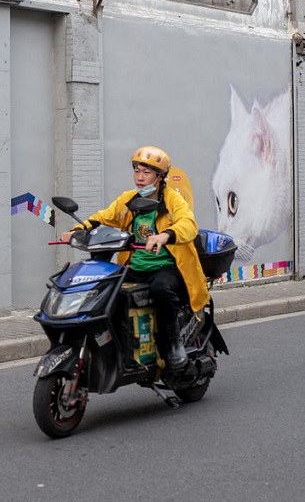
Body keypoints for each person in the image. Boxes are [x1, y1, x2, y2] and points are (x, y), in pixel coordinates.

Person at [61, 146, 209, 370]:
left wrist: (165, 235)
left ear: (160, 177)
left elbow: (188, 224)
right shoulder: (128, 200)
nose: (140, 177)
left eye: (147, 172)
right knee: (108, 291)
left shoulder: (172, 200)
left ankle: (172, 345)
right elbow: (104, 218)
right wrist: (77, 230)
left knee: (161, 289)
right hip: (135, 267)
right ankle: (124, 346)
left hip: (168, 268)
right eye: (137, 171)